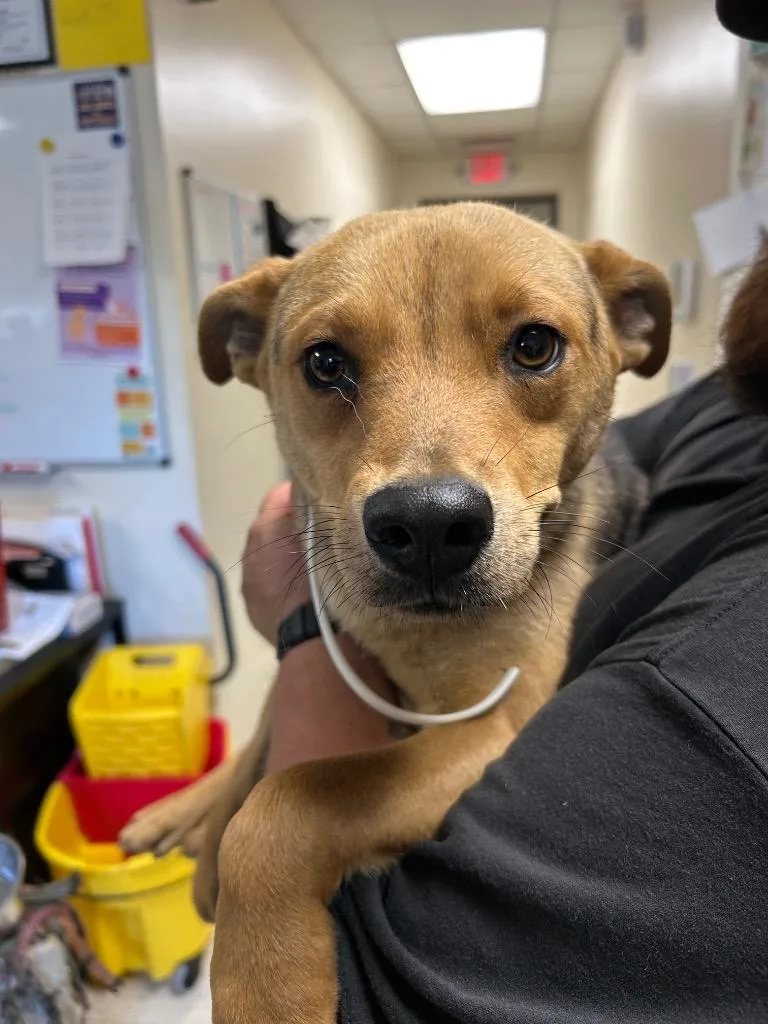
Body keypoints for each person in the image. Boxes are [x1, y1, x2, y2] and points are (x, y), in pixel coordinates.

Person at [239, 6, 768, 1019]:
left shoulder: (723, 705)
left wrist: (281, 815)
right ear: (250, 355)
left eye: (531, 348)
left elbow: (379, 958)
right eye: (329, 363)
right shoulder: (725, 412)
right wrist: (231, 789)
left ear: (629, 334)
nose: (433, 485)